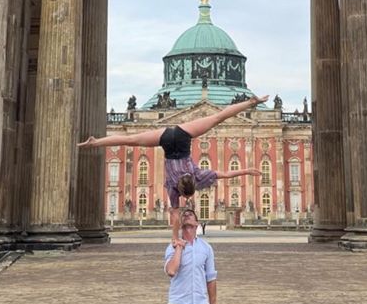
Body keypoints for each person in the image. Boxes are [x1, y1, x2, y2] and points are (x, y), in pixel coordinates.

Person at [78, 94, 267, 240]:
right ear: (185, 192)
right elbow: (176, 216)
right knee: (132, 140)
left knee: (218, 117)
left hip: (179, 134)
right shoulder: (172, 187)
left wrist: (247, 170)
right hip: (168, 142)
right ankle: (250, 102)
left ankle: (95, 142)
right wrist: (174, 239)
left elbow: (224, 174)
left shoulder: (196, 176)